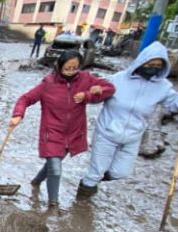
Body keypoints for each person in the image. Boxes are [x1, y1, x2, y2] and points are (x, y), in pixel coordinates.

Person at [76, 41, 178, 198]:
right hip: (106, 133)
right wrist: (93, 92)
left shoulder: (163, 87)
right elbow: (96, 99)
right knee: (95, 172)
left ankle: (92, 182)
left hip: (133, 137)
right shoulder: (117, 79)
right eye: (150, 63)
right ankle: (82, 201)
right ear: (141, 62)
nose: (153, 68)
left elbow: (174, 105)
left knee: (120, 172)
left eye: (158, 65)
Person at [9, 50, 115, 208]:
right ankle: (53, 205)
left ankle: (36, 181)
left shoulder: (86, 79)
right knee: (56, 169)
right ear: (59, 66)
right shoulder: (48, 84)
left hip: (73, 133)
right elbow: (25, 98)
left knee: (53, 164)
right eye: (67, 68)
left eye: (75, 68)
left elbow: (109, 88)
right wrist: (18, 114)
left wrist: (88, 95)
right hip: (51, 133)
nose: (71, 72)